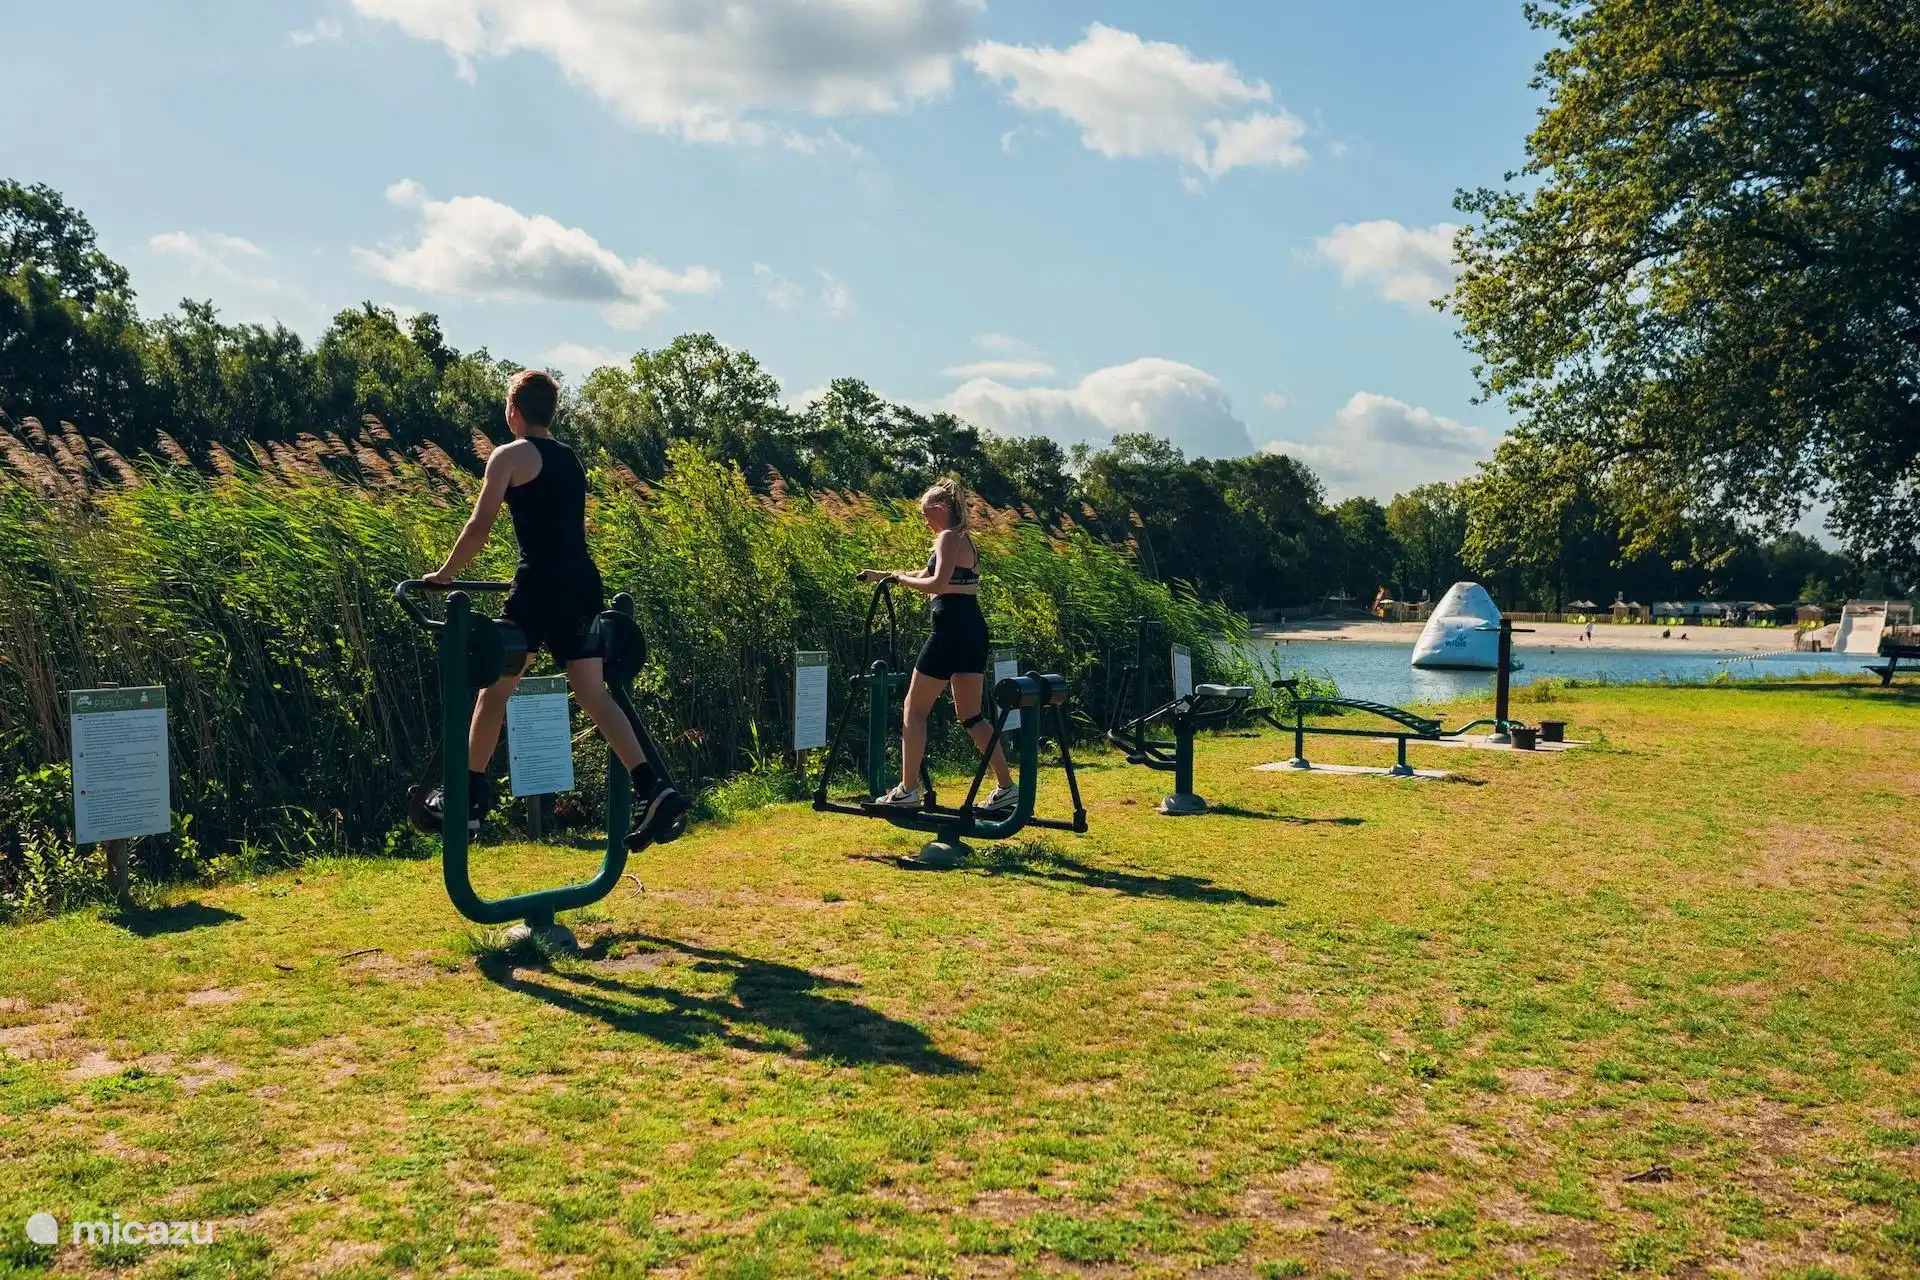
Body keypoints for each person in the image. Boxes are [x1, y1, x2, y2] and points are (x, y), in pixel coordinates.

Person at [421, 370, 690, 849]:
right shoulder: (570, 459)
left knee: (494, 691)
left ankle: (466, 802)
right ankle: (654, 789)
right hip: (582, 584)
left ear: (513, 411)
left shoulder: (508, 455)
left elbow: (479, 526)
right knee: (593, 693)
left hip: (539, 586)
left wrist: (444, 574)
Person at [857, 478, 1018, 812]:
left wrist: (901, 580)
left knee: (913, 709)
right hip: (972, 631)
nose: (924, 520)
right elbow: (930, 572)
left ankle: (907, 790)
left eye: (925, 513)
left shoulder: (947, 537)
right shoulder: (964, 540)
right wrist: (886, 574)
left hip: (949, 631)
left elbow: (937, 583)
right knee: (971, 715)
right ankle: (1006, 788)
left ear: (941, 509)